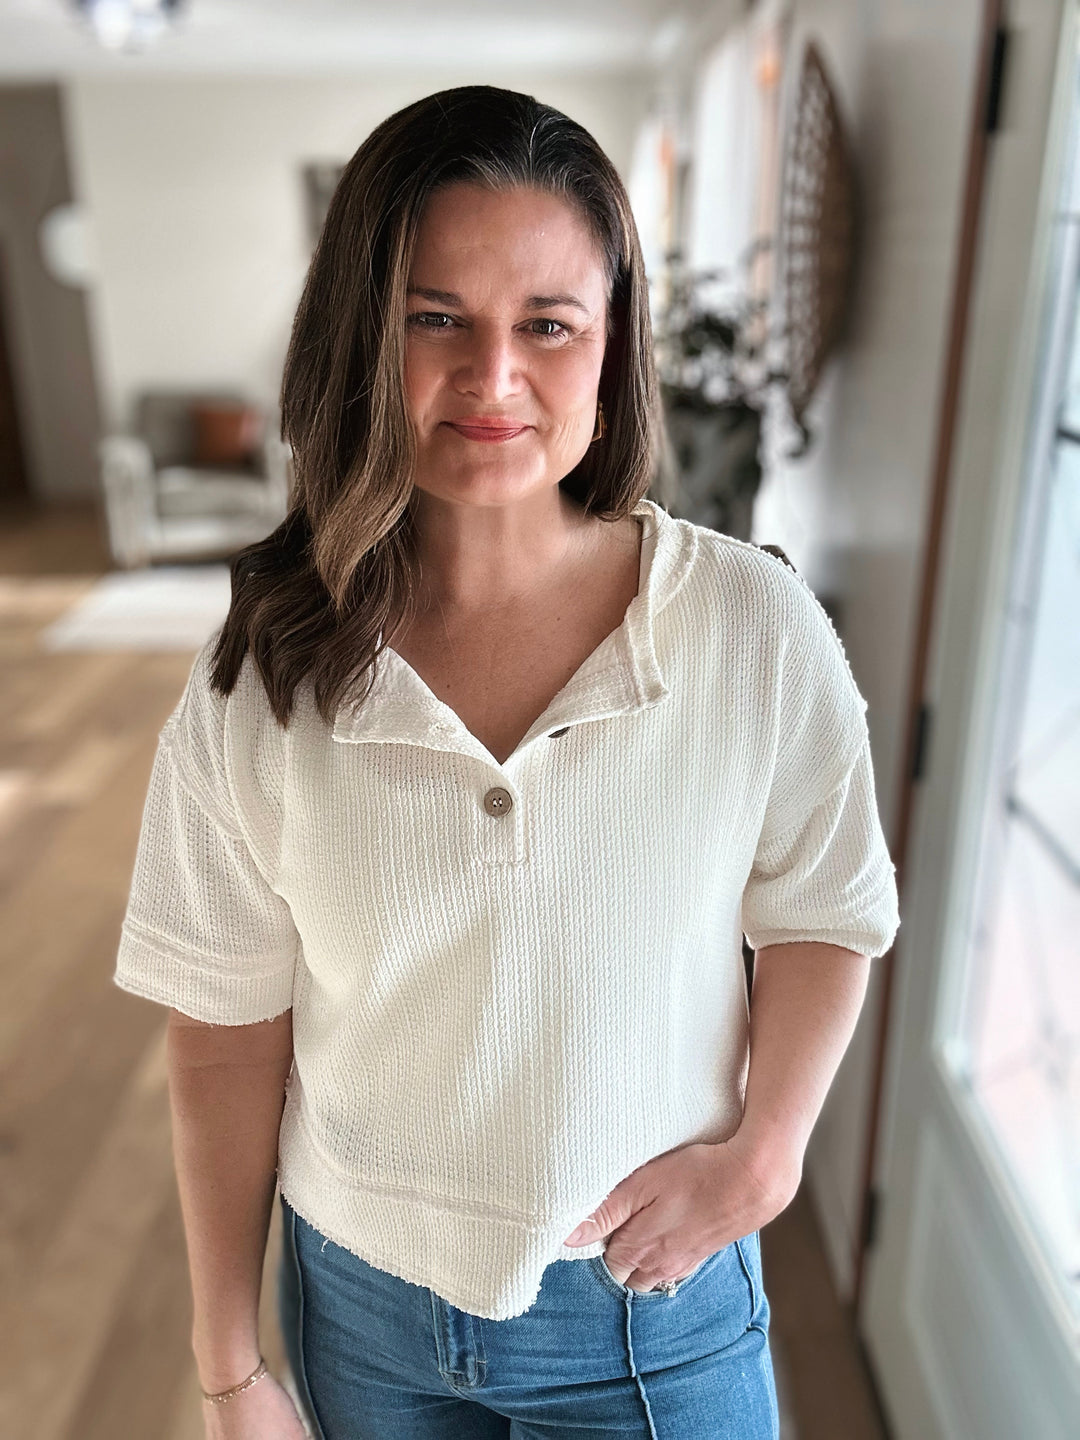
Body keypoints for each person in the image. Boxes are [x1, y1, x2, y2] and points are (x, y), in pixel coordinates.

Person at [114, 84, 899, 1440]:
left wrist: (765, 1162)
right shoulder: (267, 667)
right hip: (355, 1315)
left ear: (609, 346)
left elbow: (827, 908)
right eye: (436, 320)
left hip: (655, 1313)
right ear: (363, 336)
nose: (492, 379)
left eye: (547, 324)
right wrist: (229, 1362)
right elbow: (225, 1037)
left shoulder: (748, 631)